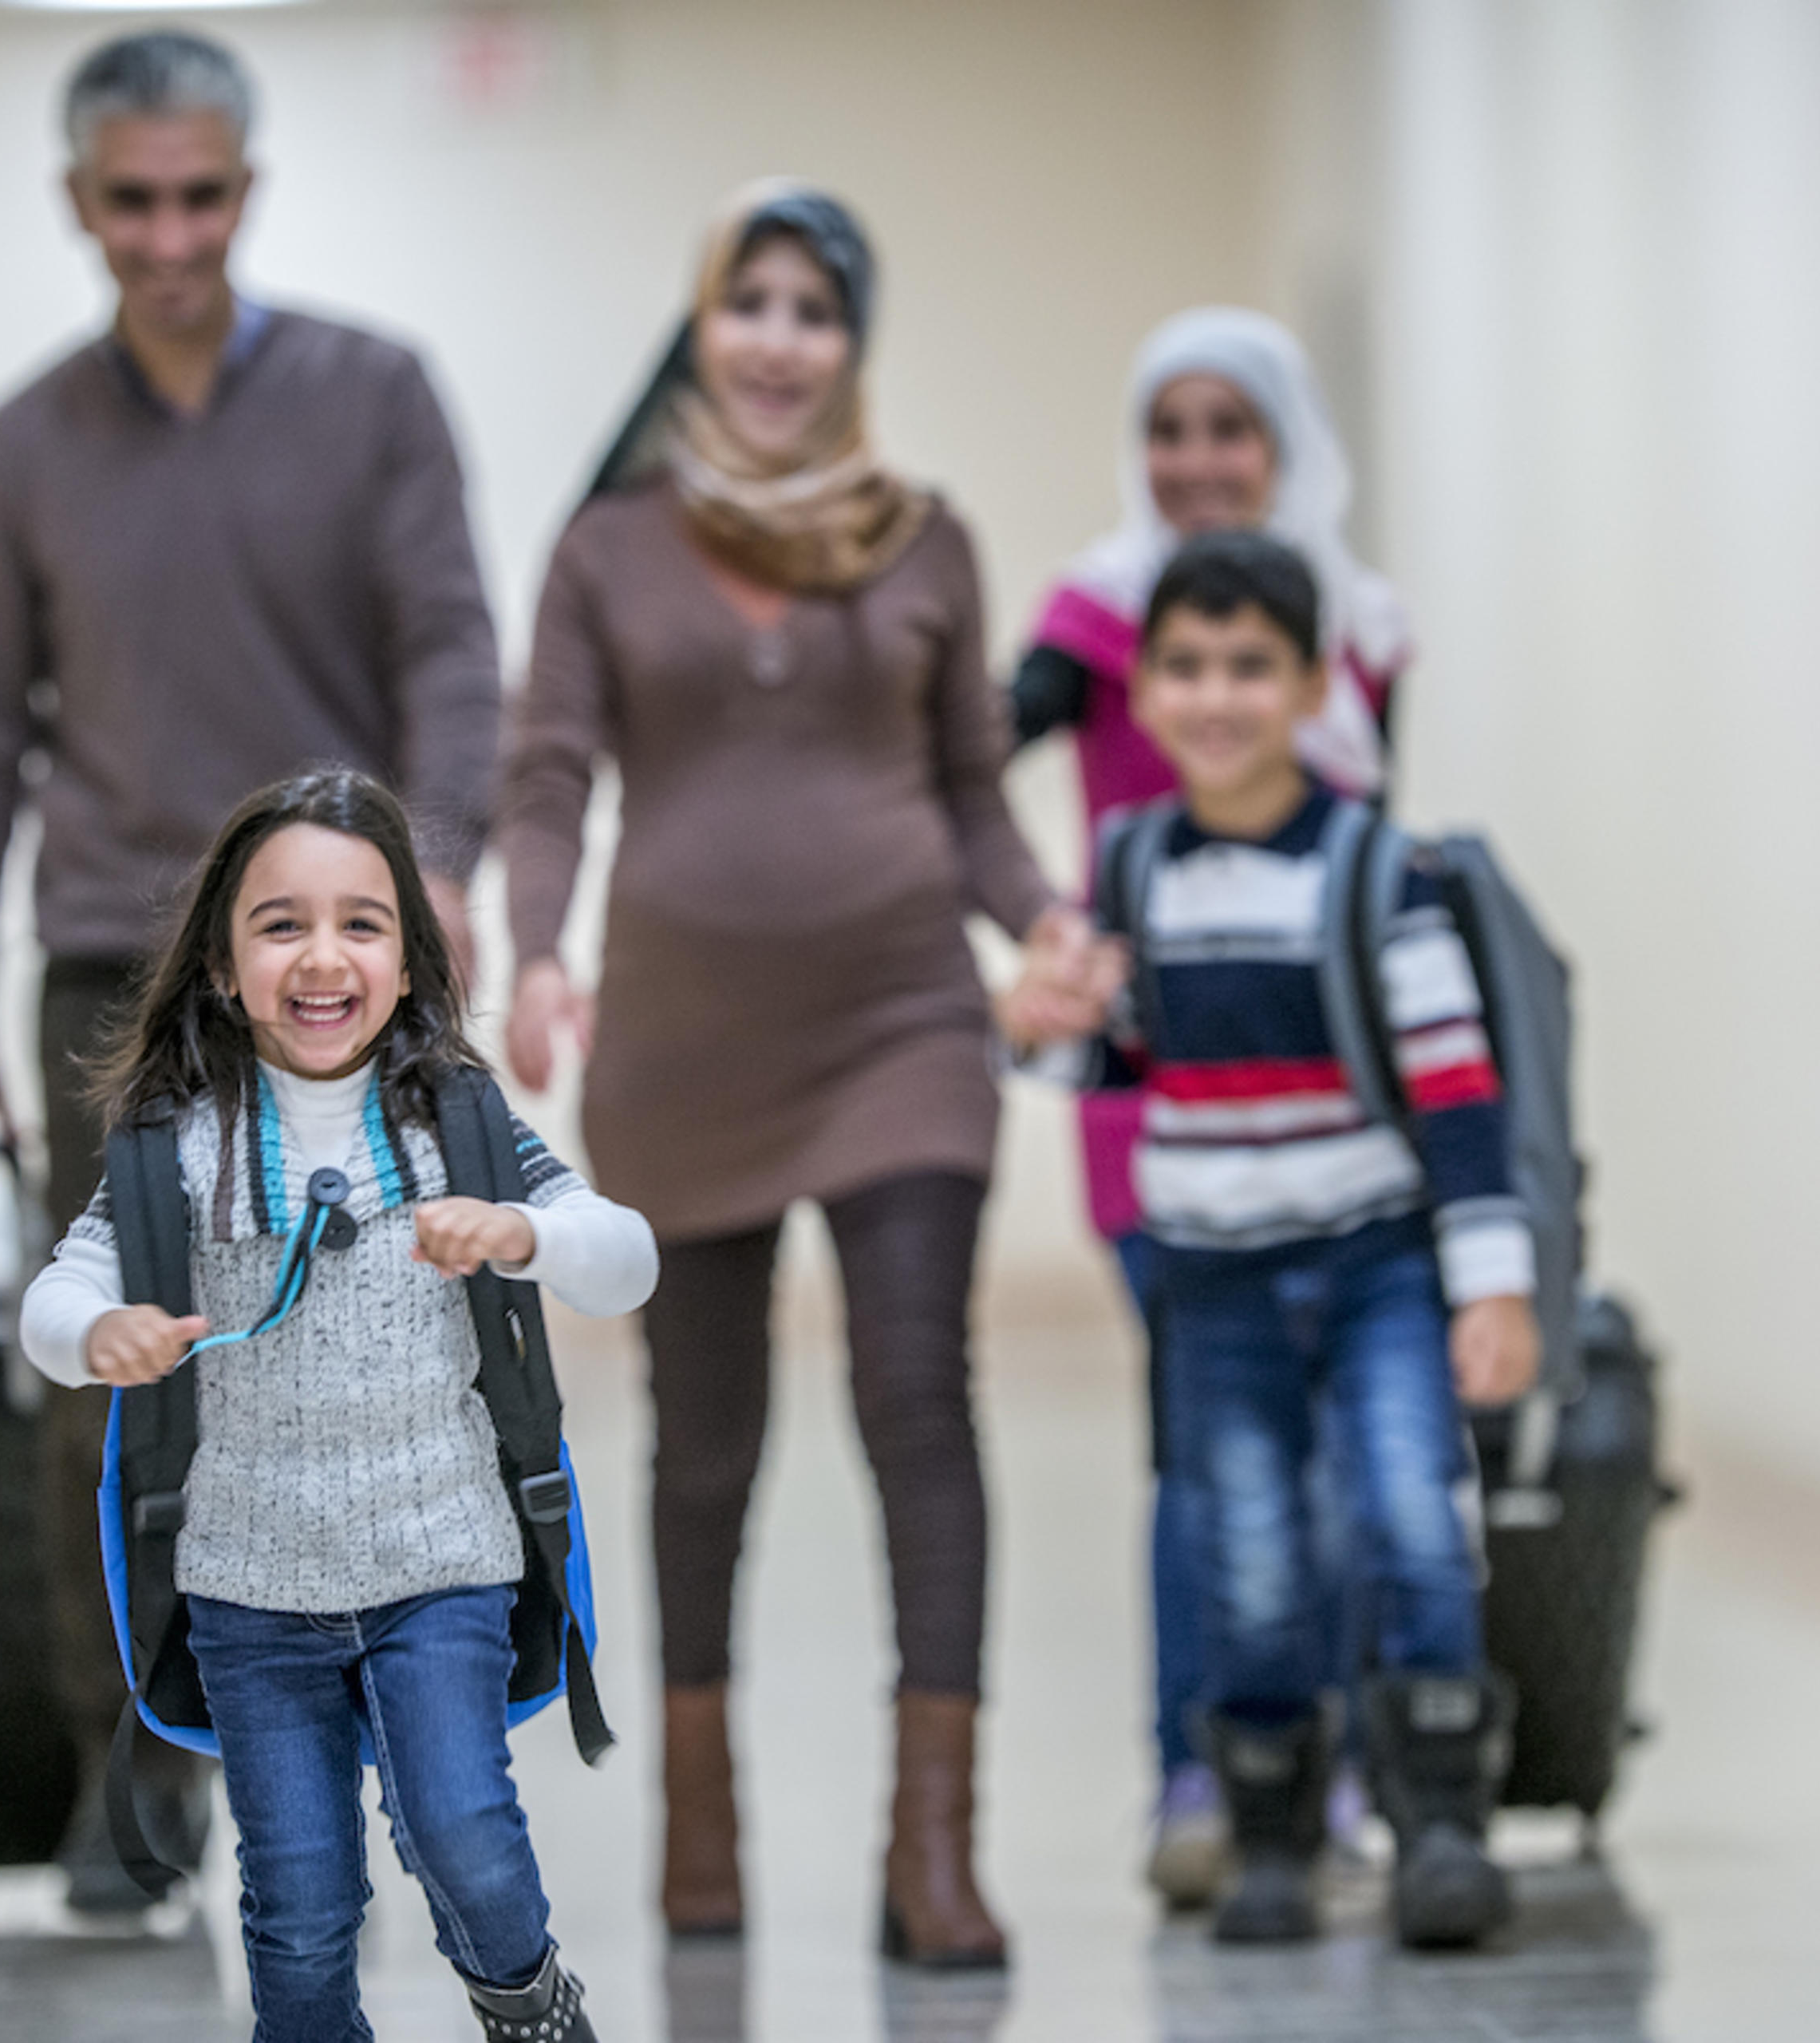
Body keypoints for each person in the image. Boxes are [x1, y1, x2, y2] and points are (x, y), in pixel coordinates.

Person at [0, 28, 505, 1907]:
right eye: (131, 200)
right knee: (123, 1375)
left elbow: (454, 657)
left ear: (248, 190)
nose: (168, 234)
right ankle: (134, 1762)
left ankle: (390, 1723)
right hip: (113, 985)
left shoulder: (374, 399)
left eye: (200, 195)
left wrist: (435, 870)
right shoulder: (18, 451)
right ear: (80, 205)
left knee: (381, 1351)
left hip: (341, 974)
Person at [498, 180, 1084, 1967]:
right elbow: (546, 773)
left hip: (907, 1022)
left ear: (852, 345)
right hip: (685, 1048)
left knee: (920, 1390)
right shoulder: (606, 547)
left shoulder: (925, 538)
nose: (777, 340)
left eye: (814, 310)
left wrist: (1045, 917)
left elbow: (975, 786)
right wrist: (534, 948)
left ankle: (934, 1846)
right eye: (748, 303)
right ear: (704, 326)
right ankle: (700, 1816)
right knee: (705, 1442)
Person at [20, 769, 657, 2040]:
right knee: (298, 1908)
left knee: (464, 1835)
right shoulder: (174, 1149)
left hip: (441, 1562)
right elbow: (56, 1299)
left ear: (413, 963)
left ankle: (527, 1999)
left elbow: (623, 1251)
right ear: (219, 965)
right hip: (251, 1591)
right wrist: (102, 1331)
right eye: (281, 925)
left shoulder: (461, 1126)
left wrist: (524, 1230)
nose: (324, 957)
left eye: (362, 923)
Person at [998, 531, 1538, 1950]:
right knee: (1244, 1551)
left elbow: (1459, 1094)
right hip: (1213, 1282)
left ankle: (1437, 1827)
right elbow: (1118, 1060)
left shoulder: (1376, 869)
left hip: (1377, 1269)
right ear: (1147, 693)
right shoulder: (1132, 867)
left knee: (1415, 1524)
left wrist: (1491, 1287)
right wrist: (1037, 1032)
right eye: (1185, 666)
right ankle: (1274, 1838)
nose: (1217, 694)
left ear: (1315, 688)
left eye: (1254, 666)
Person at [1004, 308, 1413, 1907]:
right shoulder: (1099, 617)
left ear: (1288, 440)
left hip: (1345, 1105)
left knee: (1356, 1452)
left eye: (1227, 428)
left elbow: (1389, 853)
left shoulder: (1364, 629)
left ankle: (1350, 1771)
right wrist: (1044, 929)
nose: (1194, 462)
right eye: (1165, 428)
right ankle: (1201, 1766)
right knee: (1208, 1449)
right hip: (1164, 1098)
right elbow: (962, 763)